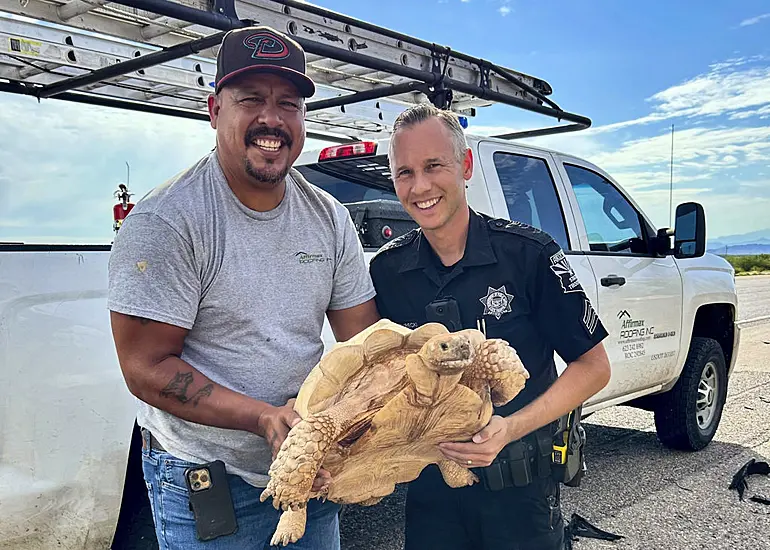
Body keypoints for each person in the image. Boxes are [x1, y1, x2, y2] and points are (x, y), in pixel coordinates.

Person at [107, 25, 379, 549]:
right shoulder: (168, 220)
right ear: (214, 110)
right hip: (207, 483)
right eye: (250, 98)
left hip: (308, 472)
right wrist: (263, 419)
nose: (271, 119)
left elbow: (362, 345)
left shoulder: (329, 218)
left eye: (288, 103)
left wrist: (350, 428)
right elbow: (145, 367)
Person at [368, 103, 612, 550]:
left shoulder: (529, 255)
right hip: (430, 497)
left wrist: (511, 427)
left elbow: (594, 367)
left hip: (520, 495)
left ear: (465, 165)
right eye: (405, 172)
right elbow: (373, 381)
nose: (420, 186)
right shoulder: (387, 272)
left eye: (433, 166)